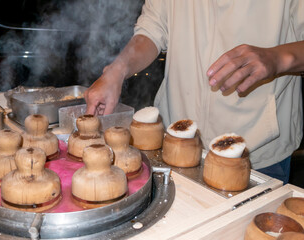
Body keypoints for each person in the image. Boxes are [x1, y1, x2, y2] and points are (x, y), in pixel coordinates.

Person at [84, 0, 304, 184]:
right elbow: (152, 28)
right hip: (176, 141)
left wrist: (278, 58)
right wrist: (118, 69)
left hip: (259, 150)